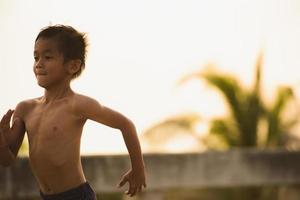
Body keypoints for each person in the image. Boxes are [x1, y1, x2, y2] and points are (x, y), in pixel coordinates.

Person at [0, 24, 146, 200]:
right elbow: (7, 160)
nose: (39, 63)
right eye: (36, 57)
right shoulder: (25, 109)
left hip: (77, 195)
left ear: (73, 66)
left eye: (47, 57)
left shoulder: (77, 105)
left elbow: (125, 124)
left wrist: (138, 169)